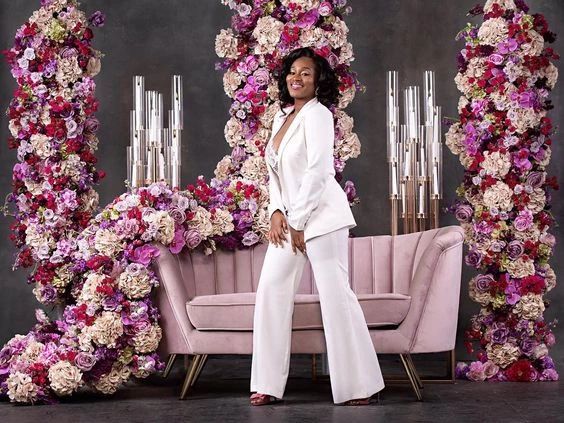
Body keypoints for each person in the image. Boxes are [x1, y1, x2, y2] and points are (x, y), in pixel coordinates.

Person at [249, 47, 385, 406]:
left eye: (306, 72)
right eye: (293, 71)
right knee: (271, 291)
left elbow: (319, 171)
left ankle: (359, 387)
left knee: (336, 296)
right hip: (289, 221)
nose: (297, 77)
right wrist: (277, 211)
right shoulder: (281, 119)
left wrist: (298, 220)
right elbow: (275, 172)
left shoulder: (319, 115)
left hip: (323, 221)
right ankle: (267, 383)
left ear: (318, 80)